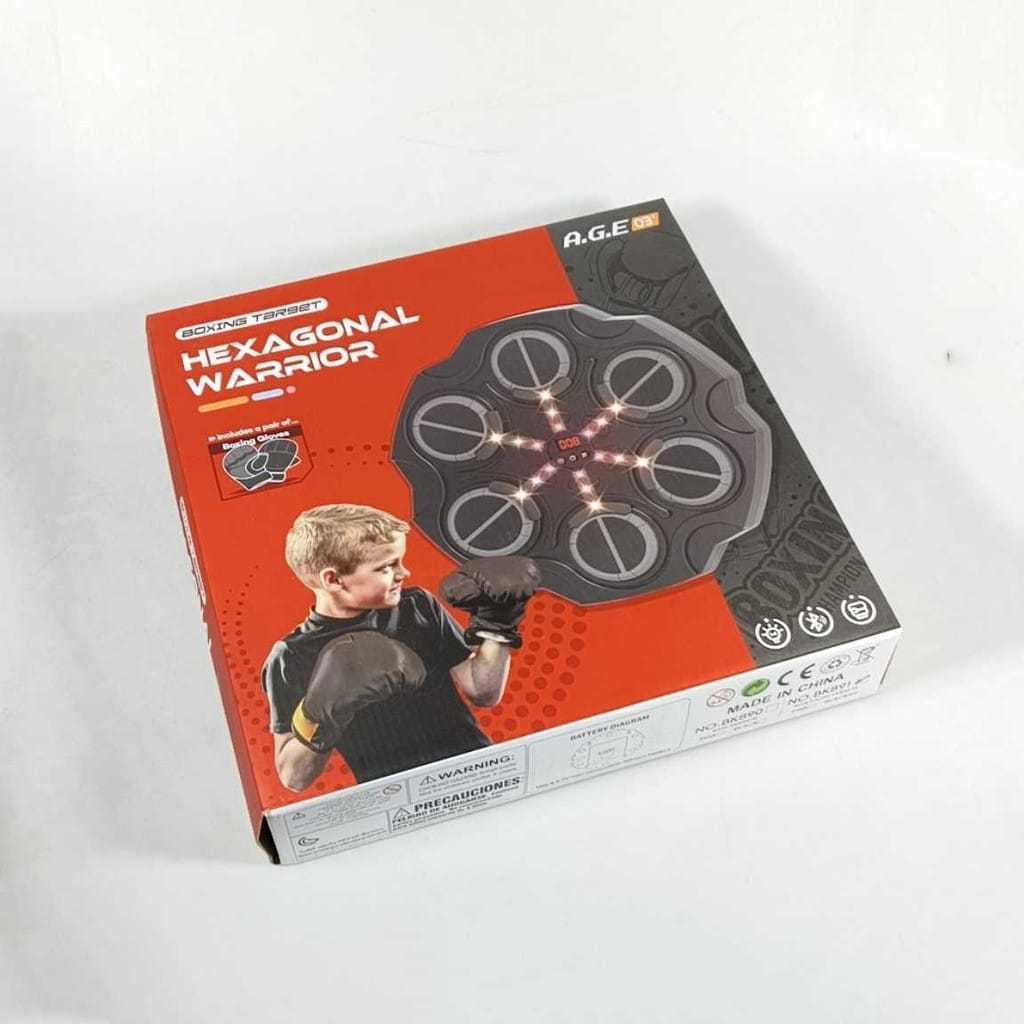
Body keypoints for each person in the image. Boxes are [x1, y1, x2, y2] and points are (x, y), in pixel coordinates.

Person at [261, 503, 539, 790]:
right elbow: (293, 779)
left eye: (399, 561)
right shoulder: (291, 656)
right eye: (386, 567)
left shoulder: (416, 606)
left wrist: (498, 622)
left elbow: (482, 692)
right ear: (333, 580)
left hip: (476, 769)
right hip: (396, 795)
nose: (403, 572)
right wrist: (321, 711)